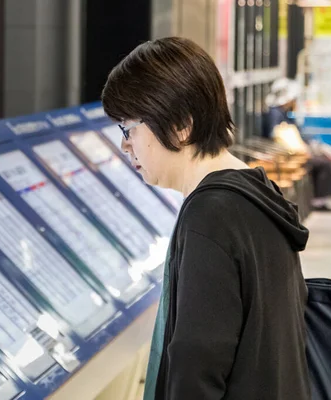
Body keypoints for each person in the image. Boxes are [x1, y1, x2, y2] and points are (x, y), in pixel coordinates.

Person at [102, 37, 310, 400]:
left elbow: (196, 363)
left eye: (129, 128)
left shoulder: (209, 215)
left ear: (181, 126)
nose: (125, 145)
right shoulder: (255, 191)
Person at [264, 78, 331, 212]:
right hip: (287, 155)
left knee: (325, 160)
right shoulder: (275, 113)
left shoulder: (283, 113)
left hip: (296, 152)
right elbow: (276, 136)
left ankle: (320, 198)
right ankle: (318, 201)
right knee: (323, 164)